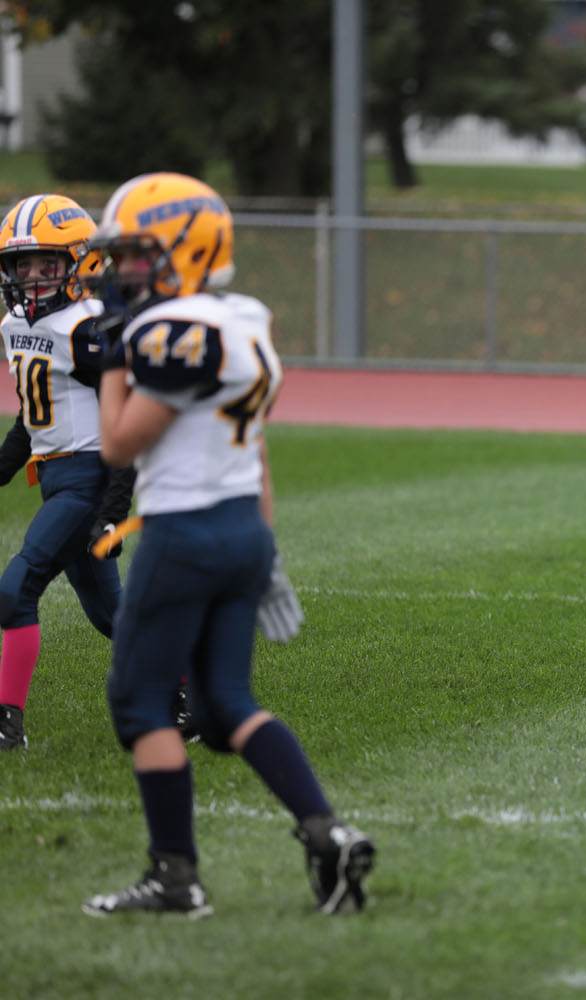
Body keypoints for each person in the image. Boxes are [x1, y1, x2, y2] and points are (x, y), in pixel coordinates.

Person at [81, 172, 375, 916]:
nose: (123, 272)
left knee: (139, 702)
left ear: (184, 248)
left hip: (184, 532)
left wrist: (114, 359)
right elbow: (260, 448)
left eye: (137, 255)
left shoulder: (170, 331)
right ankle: (327, 833)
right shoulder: (244, 316)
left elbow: (119, 444)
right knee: (223, 705)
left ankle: (174, 876)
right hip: (243, 524)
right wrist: (266, 549)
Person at [0, 193, 134, 751]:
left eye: (47, 265)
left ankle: (7, 723)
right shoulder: (15, 324)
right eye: (21, 265)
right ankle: (189, 695)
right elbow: (34, 416)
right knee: (112, 617)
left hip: (86, 480)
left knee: (14, 590)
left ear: (80, 263)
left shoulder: (85, 329)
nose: (32, 277)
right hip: (54, 477)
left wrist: (112, 510)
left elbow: (127, 420)